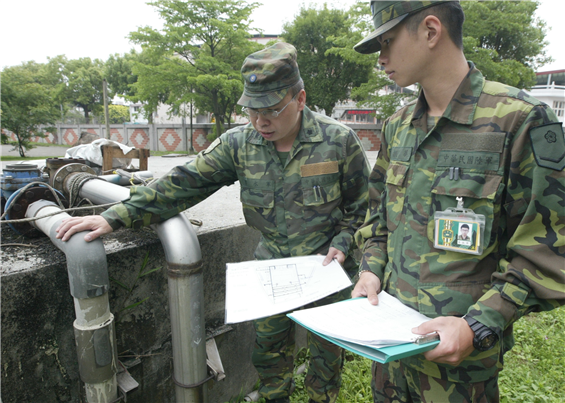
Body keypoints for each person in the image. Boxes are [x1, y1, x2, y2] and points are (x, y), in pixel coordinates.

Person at [56, 42, 370, 403]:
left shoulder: (338, 142)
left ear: (300, 99)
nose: (260, 121)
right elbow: (180, 184)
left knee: (326, 362)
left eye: (271, 109)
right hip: (272, 271)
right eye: (252, 110)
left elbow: (363, 208)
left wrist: (345, 242)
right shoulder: (240, 144)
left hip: (325, 271)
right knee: (269, 358)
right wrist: (114, 216)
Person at [351, 1, 565, 402]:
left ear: (431, 31)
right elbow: (378, 220)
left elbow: (548, 246)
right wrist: (370, 271)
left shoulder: (519, 120)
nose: (380, 59)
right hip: (391, 357)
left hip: (461, 373)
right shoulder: (398, 127)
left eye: (387, 42)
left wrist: (478, 324)